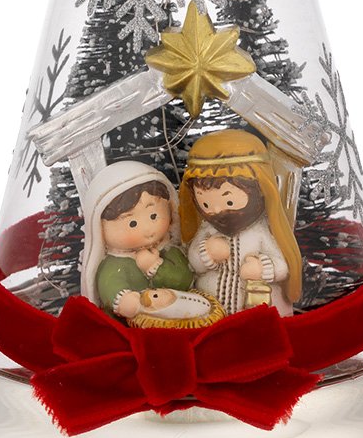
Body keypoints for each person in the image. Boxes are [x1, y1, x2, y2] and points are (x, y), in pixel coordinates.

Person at [179, 130, 303, 316]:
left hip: (255, 310)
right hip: (212, 310)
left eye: (229, 202)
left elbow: (282, 265)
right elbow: (194, 263)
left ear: (259, 190)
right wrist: (206, 253)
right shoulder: (207, 230)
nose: (217, 210)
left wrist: (263, 268)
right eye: (205, 204)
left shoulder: (260, 231)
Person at [79, 161, 193, 320]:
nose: (148, 229)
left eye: (153, 216)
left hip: (179, 321)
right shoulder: (115, 264)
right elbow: (109, 285)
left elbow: (183, 279)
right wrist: (123, 301)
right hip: (134, 327)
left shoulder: (169, 250)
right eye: (132, 223)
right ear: (100, 229)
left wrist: (155, 266)